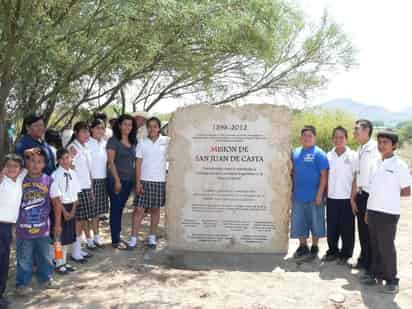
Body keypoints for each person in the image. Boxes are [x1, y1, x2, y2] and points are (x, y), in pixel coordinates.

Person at [361, 131, 411, 294]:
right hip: (373, 210)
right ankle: (376, 274)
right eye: (380, 142)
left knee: (387, 247)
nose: (381, 145)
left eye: (385, 143)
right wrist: (368, 210)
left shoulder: (400, 165)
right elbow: (372, 190)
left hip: (388, 213)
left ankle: (392, 280)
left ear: (394, 146)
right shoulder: (376, 163)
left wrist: (388, 197)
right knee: (374, 245)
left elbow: (406, 190)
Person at [15, 148, 58, 296]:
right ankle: (22, 283)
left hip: (43, 228)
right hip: (23, 229)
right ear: (26, 162)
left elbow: (56, 203)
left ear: (45, 164)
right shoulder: (20, 178)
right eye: (31, 161)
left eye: (39, 162)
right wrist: (28, 152)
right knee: (24, 258)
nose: (35, 164)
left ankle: (45, 278)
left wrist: (57, 224)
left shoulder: (48, 180)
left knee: (45, 256)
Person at [129, 117, 169, 249]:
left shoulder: (167, 141)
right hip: (144, 181)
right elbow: (138, 163)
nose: (152, 129)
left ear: (159, 128)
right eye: (150, 126)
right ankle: (133, 239)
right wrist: (138, 182)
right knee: (139, 210)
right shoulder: (142, 142)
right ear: (147, 128)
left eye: (155, 126)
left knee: (155, 210)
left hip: (160, 181)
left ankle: (152, 238)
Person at [291, 125, 329, 259]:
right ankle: (302, 246)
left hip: (315, 196)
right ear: (300, 138)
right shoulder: (295, 152)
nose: (307, 138)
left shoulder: (319, 154)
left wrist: (320, 194)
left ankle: (314, 246)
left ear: (314, 138)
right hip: (298, 195)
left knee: (316, 221)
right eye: (304, 136)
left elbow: (324, 176)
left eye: (310, 136)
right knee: (299, 221)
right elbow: (292, 172)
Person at [323, 126, 356, 264]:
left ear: (346, 139)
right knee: (332, 226)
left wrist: (353, 197)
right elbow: (325, 176)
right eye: (336, 137)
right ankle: (332, 251)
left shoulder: (353, 156)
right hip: (331, 198)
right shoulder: (328, 156)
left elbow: (356, 177)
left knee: (347, 228)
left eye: (341, 137)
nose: (338, 140)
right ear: (332, 139)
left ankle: (346, 254)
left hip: (347, 198)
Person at [350, 119, 380, 271]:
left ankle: (372, 265)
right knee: (362, 231)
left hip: (371, 196)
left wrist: (371, 203)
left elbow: (376, 179)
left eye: (357, 129)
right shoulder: (360, 149)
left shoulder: (375, 149)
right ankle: (365, 259)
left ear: (367, 130)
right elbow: (356, 174)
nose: (354, 132)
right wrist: (352, 197)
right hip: (360, 195)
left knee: (371, 233)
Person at [106, 114, 137, 249]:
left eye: (130, 125)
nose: (127, 127)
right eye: (125, 124)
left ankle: (117, 237)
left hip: (129, 181)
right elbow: (111, 162)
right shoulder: (113, 141)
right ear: (119, 125)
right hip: (116, 181)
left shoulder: (133, 141)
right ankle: (115, 240)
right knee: (116, 210)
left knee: (120, 210)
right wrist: (117, 180)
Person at [66, 122, 96, 260]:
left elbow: (88, 170)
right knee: (78, 220)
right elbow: (67, 168)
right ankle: (75, 252)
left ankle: (78, 249)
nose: (86, 134)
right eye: (83, 131)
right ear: (76, 133)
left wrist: (91, 189)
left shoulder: (85, 147)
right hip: (77, 189)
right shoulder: (72, 147)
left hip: (86, 187)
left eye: (87, 131)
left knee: (83, 219)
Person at [0, 154, 26, 307]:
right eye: (8, 165)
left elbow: (26, 168)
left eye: (15, 166)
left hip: (8, 227)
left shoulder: (19, 179)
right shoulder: (2, 181)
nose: (12, 168)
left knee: (4, 260)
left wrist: (30, 152)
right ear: (4, 167)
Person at [50, 148, 81, 275]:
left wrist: (73, 209)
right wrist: (64, 211)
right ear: (58, 160)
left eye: (67, 158)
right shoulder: (55, 175)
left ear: (70, 159)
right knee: (58, 238)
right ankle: (58, 262)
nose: (65, 161)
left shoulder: (73, 173)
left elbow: (76, 194)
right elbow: (55, 197)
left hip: (71, 207)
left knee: (67, 237)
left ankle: (64, 261)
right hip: (59, 208)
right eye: (62, 158)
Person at [87, 118, 109, 247]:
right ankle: (88, 239)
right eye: (97, 128)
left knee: (96, 212)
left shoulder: (105, 143)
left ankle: (96, 236)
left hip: (102, 180)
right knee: (86, 214)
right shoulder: (87, 143)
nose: (100, 130)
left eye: (102, 128)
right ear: (91, 129)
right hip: (89, 181)